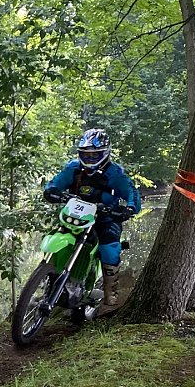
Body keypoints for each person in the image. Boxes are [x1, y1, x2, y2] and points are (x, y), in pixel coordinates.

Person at [43, 128, 141, 307]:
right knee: (55, 236)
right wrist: (51, 191)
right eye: (86, 155)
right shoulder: (73, 168)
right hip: (75, 213)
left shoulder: (115, 174)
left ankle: (110, 291)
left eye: (95, 156)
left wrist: (129, 209)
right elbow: (55, 183)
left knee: (109, 249)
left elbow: (132, 193)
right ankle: (48, 279)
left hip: (106, 217)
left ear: (105, 153)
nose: (89, 159)